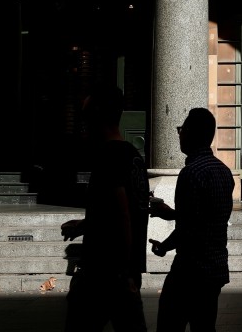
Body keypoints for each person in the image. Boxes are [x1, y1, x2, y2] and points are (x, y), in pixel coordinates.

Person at [61, 87, 149, 332]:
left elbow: (123, 215)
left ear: (96, 116)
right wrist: (86, 224)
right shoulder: (133, 155)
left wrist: (124, 273)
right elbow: (128, 208)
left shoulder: (107, 157)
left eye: (85, 115)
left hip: (106, 272)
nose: (83, 123)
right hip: (122, 271)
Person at [148, 108, 234, 332]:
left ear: (192, 134)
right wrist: (173, 214)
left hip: (190, 269)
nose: (179, 134)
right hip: (215, 266)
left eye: (182, 129)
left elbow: (190, 226)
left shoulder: (191, 173)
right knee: (204, 327)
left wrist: (164, 246)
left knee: (169, 324)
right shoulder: (223, 171)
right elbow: (207, 215)